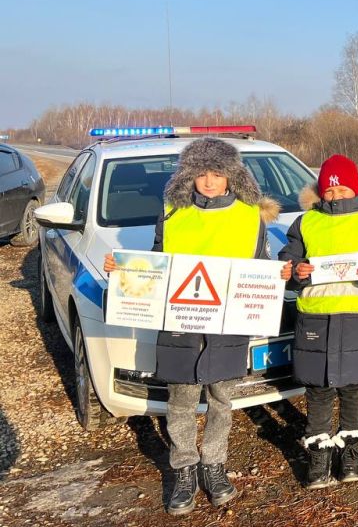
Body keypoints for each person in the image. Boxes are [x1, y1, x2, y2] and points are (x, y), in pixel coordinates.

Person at [104, 138, 277, 516]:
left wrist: (276, 275)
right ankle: (184, 468)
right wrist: (126, 272)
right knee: (181, 399)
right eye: (202, 173)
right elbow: (156, 259)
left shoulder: (250, 215)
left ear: (232, 175)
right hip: (181, 320)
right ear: (189, 176)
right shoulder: (172, 212)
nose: (210, 181)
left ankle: (213, 465)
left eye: (217, 173)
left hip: (227, 324)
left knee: (220, 398)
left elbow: (260, 264)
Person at [278, 154, 358, 489]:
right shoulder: (306, 222)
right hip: (316, 319)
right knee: (317, 387)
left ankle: (350, 450)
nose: (336, 196)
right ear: (321, 192)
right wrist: (297, 271)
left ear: (356, 188)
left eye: (343, 188)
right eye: (329, 191)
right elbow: (287, 263)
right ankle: (319, 451)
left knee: (354, 386)